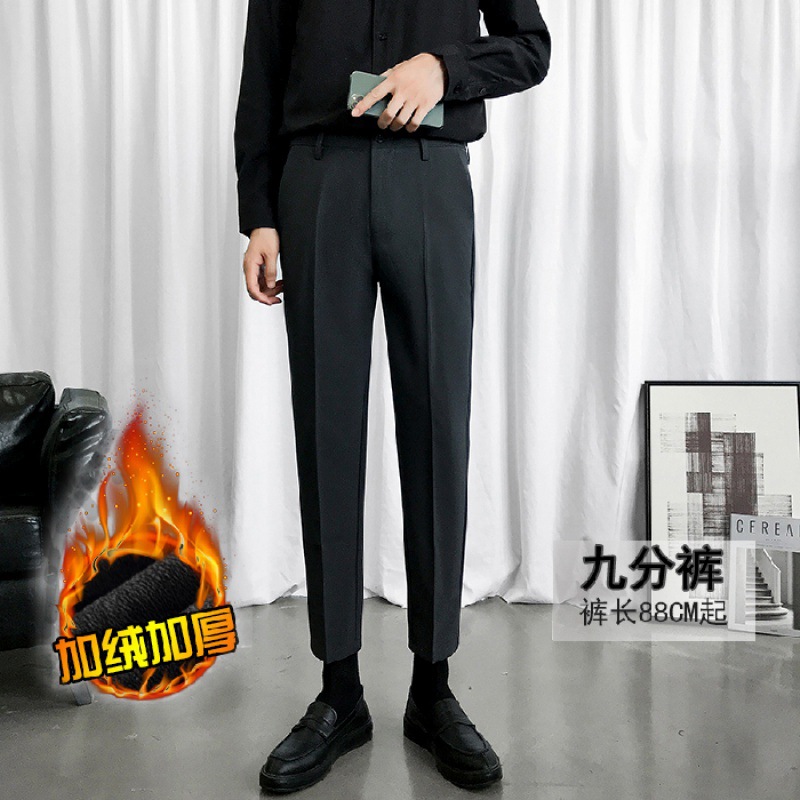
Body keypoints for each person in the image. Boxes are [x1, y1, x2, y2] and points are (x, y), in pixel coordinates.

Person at [234, 0, 550, 792]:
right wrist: (260, 215)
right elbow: (262, 71)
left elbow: (530, 47)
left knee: (438, 427)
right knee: (327, 432)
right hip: (318, 178)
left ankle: (432, 688)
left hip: (429, 175)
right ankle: (339, 692)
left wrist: (444, 67)